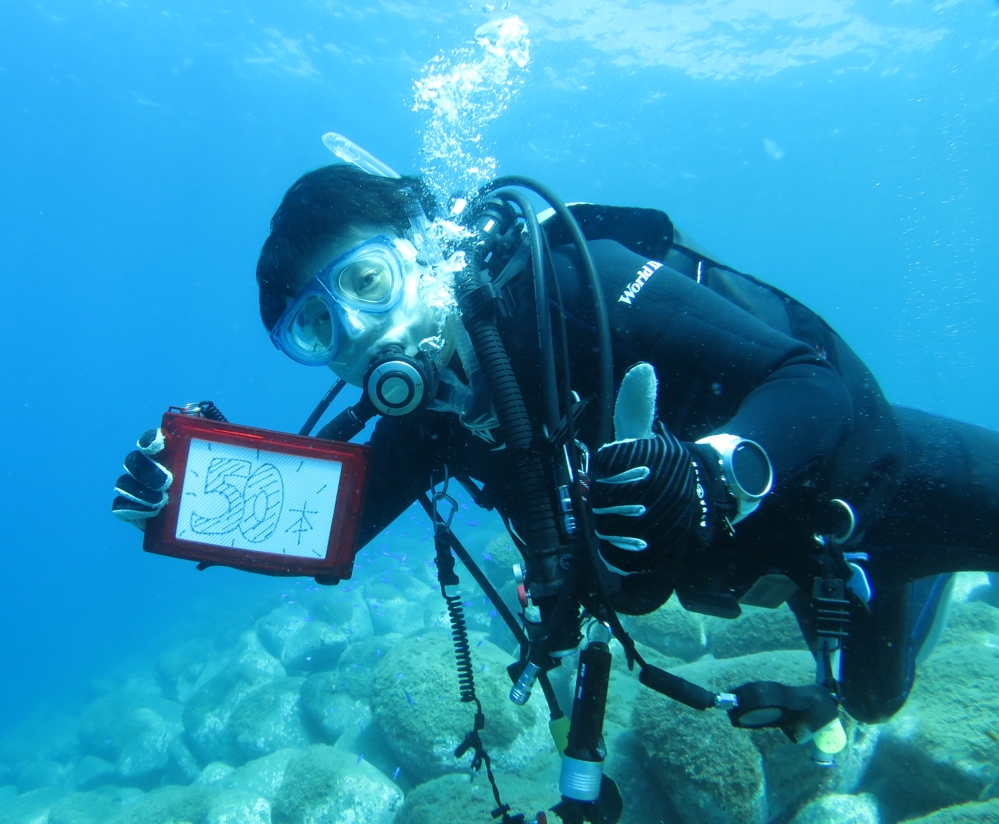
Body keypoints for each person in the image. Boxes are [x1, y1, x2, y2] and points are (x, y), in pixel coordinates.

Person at [113, 160, 999, 739]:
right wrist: (194, 497)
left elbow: (811, 383)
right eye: (314, 328)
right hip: (775, 566)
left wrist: (709, 474)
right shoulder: (429, 420)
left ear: (424, 252)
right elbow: (325, 534)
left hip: (867, 480)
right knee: (877, 698)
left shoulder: (582, 283)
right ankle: (915, 596)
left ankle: (917, 564)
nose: (356, 330)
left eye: (366, 282)